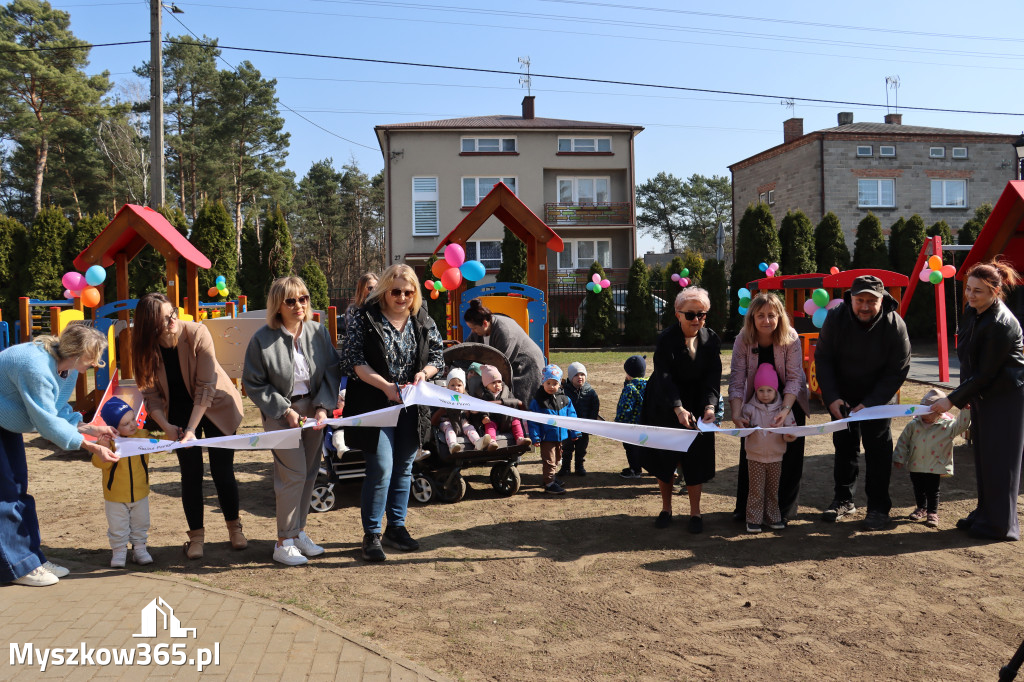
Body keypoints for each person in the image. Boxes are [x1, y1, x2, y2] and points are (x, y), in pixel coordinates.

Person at [0, 325, 118, 586]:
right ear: (77, 354)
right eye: (93, 358)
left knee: (20, 491)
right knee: (6, 496)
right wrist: (90, 446)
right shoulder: (37, 367)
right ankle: (20, 567)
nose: (96, 364)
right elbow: (46, 421)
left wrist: (91, 429)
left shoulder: (67, 369)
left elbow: (57, 410)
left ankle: (32, 559)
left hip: (5, 422)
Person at [132, 292, 247, 560]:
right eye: (163, 319)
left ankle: (235, 529)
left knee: (222, 469)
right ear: (149, 325)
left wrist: (192, 430)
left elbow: (206, 388)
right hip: (178, 412)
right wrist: (167, 426)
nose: (172, 320)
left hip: (216, 405)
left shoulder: (197, 333)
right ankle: (196, 537)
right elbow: (150, 396)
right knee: (191, 473)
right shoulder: (143, 347)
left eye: (172, 313)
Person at [341, 264, 444, 562]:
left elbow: (438, 356)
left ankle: (396, 528)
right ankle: (371, 533)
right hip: (375, 403)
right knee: (381, 467)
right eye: (396, 291)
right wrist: (386, 387)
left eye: (408, 292)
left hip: (411, 404)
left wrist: (424, 373)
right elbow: (353, 361)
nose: (401, 297)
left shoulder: (422, 319)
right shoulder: (365, 318)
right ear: (385, 290)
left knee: (404, 468)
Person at [243, 276, 340, 566]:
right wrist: (286, 411)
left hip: (313, 408)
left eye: (303, 298)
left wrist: (323, 407)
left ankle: (298, 533)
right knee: (292, 474)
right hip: (280, 413)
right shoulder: (262, 338)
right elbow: (254, 383)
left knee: (310, 472)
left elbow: (332, 371)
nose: (299, 305)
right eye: (290, 300)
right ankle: (283, 541)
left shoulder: (318, 332)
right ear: (277, 305)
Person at [930, 258, 1024, 541]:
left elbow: (986, 373)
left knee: (1001, 460)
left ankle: (1000, 525)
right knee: (984, 458)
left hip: (1006, 398)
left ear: (995, 291)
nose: (970, 295)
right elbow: (971, 362)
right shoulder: (975, 312)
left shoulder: (1000, 323)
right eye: (969, 288)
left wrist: (952, 400)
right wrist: (967, 395)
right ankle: (985, 513)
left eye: (978, 291)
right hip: (984, 394)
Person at [814, 275, 911, 531]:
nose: (865, 306)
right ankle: (844, 499)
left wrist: (872, 403)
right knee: (844, 448)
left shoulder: (894, 324)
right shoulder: (836, 318)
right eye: (860, 300)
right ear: (851, 299)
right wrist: (832, 396)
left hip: (877, 398)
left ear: (882, 300)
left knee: (878, 451)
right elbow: (823, 358)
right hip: (843, 395)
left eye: (871, 301)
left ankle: (879, 507)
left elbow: (898, 369)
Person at [640, 287, 721, 534]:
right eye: (690, 315)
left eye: (702, 314)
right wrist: (677, 408)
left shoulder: (712, 339)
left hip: (698, 403)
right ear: (677, 314)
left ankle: (695, 513)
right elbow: (664, 377)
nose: (696, 319)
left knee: (696, 457)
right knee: (666, 457)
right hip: (666, 402)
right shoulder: (666, 339)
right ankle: (666, 508)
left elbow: (713, 376)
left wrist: (710, 405)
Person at [729, 292, 810, 523]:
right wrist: (736, 412)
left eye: (771, 315)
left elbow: (795, 378)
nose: (766, 320)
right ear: (752, 317)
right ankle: (747, 509)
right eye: (761, 315)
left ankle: (782, 511)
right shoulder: (743, 339)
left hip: (788, 401)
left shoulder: (791, 337)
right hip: (755, 404)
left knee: (789, 456)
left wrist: (785, 411)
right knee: (752, 453)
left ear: (779, 316)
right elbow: (736, 378)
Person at [894, 389, 971, 529]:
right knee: (918, 488)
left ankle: (932, 512)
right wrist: (899, 457)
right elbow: (903, 441)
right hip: (916, 463)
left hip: (935, 465)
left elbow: (962, 426)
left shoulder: (948, 426)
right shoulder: (913, 425)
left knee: (932, 489)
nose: (924, 415)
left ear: (939, 412)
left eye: (928, 411)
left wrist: (966, 411)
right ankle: (921, 508)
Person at [94, 398, 153, 568]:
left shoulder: (142, 436)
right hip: (115, 496)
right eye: (126, 423)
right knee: (117, 526)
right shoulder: (107, 442)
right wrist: (102, 448)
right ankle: (119, 552)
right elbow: (98, 464)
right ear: (114, 428)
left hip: (140, 493)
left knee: (141, 523)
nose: (133, 425)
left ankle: (140, 549)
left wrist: (174, 438)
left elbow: (160, 444)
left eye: (133, 419)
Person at [741, 364, 797, 534]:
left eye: (769, 390)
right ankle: (753, 520)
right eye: (761, 390)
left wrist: (789, 436)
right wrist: (747, 427)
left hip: (776, 457)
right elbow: (742, 430)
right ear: (755, 391)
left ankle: (773, 517)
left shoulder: (784, 410)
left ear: (775, 391)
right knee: (756, 490)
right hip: (755, 457)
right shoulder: (748, 409)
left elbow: (791, 430)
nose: (765, 394)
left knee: (773, 490)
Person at [464, 299, 546, 406]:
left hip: (526, 365)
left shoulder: (504, 331)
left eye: (474, 328)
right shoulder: (478, 332)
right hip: (510, 363)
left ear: (484, 323)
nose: (472, 331)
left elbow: (500, 363)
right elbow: (467, 349)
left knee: (520, 398)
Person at [527, 364, 580, 495]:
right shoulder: (538, 401)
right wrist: (535, 437)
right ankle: (549, 483)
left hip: (560, 436)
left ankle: (551, 478)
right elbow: (533, 421)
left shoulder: (565, 399)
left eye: (554, 383)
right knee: (549, 460)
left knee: (557, 459)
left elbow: (571, 416)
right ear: (543, 382)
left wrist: (574, 431)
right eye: (548, 383)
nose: (551, 386)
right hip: (546, 437)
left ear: (560, 384)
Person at [431, 368, 491, 453]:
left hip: (461, 420)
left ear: (464, 387)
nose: (456, 388)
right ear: (448, 386)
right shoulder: (444, 397)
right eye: (452, 385)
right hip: (446, 421)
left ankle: (477, 442)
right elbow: (437, 414)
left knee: (470, 427)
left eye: (459, 385)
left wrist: (473, 410)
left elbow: (472, 410)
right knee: (449, 429)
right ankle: (452, 445)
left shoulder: (466, 398)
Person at [472, 364, 529, 446]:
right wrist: (484, 416)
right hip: (492, 418)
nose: (497, 385)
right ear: (486, 385)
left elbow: (513, 402)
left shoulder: (506, 391)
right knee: (489, 424)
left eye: (499, 382)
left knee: (516, 420)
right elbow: (481, 408)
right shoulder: (482, 394)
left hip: (506, 418)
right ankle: (492, 441)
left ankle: (519, 438)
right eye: (493, 383)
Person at [559, 362, 599, 477]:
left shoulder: (590, 391)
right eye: (576, 375)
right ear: (571, 377)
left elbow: (595, 406)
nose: (580, 377)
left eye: (582, 374)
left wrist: (591, 421)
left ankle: (579, 467)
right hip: (568, 427)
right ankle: (565, 467)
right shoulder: (564, 391)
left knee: (581, 449)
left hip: (584, 426)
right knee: (567, 448)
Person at [616, 355, 647, 479]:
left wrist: (619, 422)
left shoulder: (630, 388)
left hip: (632, 427)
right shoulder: (651, 384)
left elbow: (625, 408)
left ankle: (635, 469)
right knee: (648, 447)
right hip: (648, 424)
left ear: (628, 373)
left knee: (631, 447)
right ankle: (652, 468)